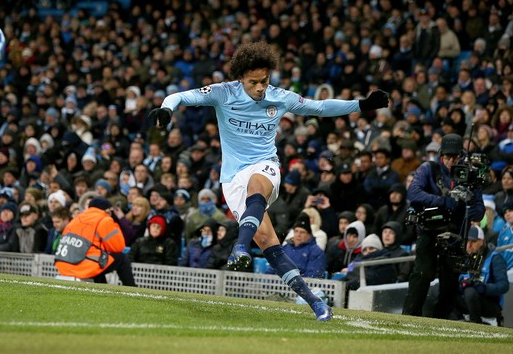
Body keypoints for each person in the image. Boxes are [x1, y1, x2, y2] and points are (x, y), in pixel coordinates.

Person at [149, 41, 389, 321]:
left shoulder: (279, 97)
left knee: (257, 184)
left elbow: (320, 107)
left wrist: (362, 104)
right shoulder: (223, 93)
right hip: (232, 178)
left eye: (264, 80)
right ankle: (316, 303)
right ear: (241, 78)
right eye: (254, 82)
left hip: (265, 166)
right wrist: (166, 109)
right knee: (269, 243)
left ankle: (240, 246)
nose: (261, 87)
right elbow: (181, 97)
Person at [402, 133, 485, 319]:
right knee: (423, 274)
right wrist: (443, 201)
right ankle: (409, 316)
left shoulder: (470, 174)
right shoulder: (429, 168)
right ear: (441, 155)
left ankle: (440, 319)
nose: (450, 161)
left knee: (450, 282)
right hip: (429, 231)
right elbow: (413, 193)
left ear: (461, 156)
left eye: (455, 157)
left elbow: (479, 210)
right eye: (447, 157)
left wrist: (466, 204)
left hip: (455, 234)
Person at [54, 197, 136, 286]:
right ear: (107, 211)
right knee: (121, 258)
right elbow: (118, 247)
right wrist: (114, 223)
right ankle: (133, 290)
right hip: (81, 267)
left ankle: (102, 291)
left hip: (62, 265)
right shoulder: (104, 220)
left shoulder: (76, 219)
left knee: (98, 260)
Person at [453, 226, 509, 325]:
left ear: (482, 242)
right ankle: (455, 321)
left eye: (473, 242)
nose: (469, 245)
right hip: (467, 299)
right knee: (446, 291)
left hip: (489, 303)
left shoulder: (495, 258)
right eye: (467, 241)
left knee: (470, 291)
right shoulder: (464, 258)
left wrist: (484, 288)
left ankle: (476, 324)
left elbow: (504, 286)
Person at [266, 213, 327, 278]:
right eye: (296, 231)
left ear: (309, 235)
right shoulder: (285, 248)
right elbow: (272, 269)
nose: (298, 234)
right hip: (278, 285)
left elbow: (313, 276)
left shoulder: (316, 252)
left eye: (302, 232)